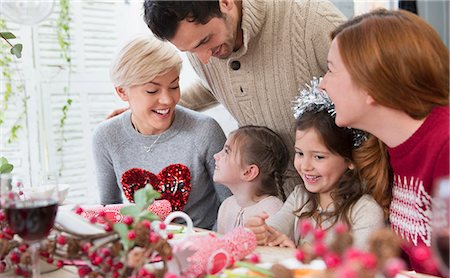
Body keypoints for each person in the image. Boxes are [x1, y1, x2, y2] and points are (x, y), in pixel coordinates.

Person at [110, 0, 346, 194]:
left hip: (339, 190)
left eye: (205, 41)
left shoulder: (312, 20)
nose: (204, 59)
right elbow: (218, 85)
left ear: (226, 3)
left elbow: (373, 89)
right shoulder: (203, 50)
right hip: (272, 198)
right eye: (190, 50)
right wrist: (159, 105)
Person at [319, 9, 449, 275]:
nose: (323, 85)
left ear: (369, 86)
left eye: (331, 71)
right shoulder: (389, 146)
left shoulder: (445, 146)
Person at [92, 35, 231, 230]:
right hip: (143, 248)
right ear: (122, 92)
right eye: (152, 91)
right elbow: (109, 212)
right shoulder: (106, 137)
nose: (167, 100)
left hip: (202, 246)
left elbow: (231, 206)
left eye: (174, 86)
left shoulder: (205, 131)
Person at [245, 79, 385, 250]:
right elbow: (275, 230)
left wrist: (298, 256)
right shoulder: (300, 197)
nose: (305, 166)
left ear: (349, 160)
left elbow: (358, 269)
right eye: (300, 153)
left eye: (318, 157)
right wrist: (261, 232)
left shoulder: (365, 211)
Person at [213, 125, 290, 234]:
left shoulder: (272, 209)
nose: (216, 155)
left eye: (226, 151)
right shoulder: (226, 206)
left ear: (248, 172)